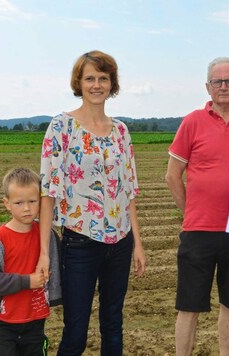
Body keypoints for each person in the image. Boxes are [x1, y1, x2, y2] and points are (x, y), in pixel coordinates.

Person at [37, 50, 146, 356]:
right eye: (90, 78)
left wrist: (137, 242)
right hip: (80, 243)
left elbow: (129, 191)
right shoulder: (61, 127)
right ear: (79, 83)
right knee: (75, 333)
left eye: (103, 78)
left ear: (112, 83)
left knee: (113, 326)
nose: (97, 84)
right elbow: (49, 192)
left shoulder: (121, 131)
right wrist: (44, 251)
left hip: (121, 242)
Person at [165, 57, 229, 356]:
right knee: (189, 305)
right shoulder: (192, 122)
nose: (224, 86)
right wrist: (191, 214)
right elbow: (172, 176)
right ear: (208, 87)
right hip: (198, 232)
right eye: (218, 81)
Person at [0, 167, 61, 355]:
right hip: (2, 325)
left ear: (42, 202)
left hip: (35, 321)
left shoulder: (47, 237)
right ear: (7, 203)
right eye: (19, 202)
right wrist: (27, 281)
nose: (27, 208)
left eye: (32, 201)